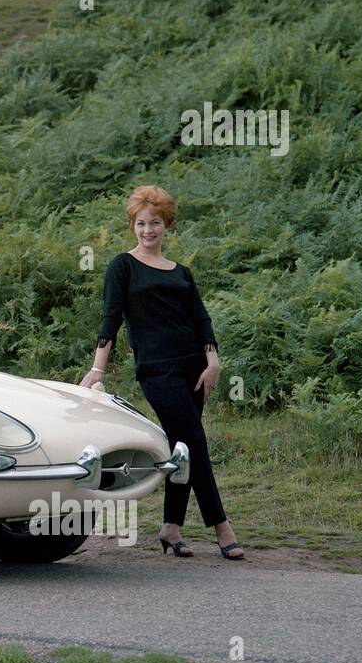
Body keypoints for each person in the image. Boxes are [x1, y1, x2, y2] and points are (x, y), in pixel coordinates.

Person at [79, 185, 245, 560]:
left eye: (155, 223)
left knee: (182, 446)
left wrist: (213, 360)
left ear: (166, 225)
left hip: (194, 368)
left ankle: (171, 527)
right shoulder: (123, 266)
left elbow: (200, 317)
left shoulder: (180, 272)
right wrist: (96, 369)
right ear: (132, 226)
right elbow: (111, 319)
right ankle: (222, 526)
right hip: (156, 370)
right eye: (141, 223)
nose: (148, 230)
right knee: (196, 443)